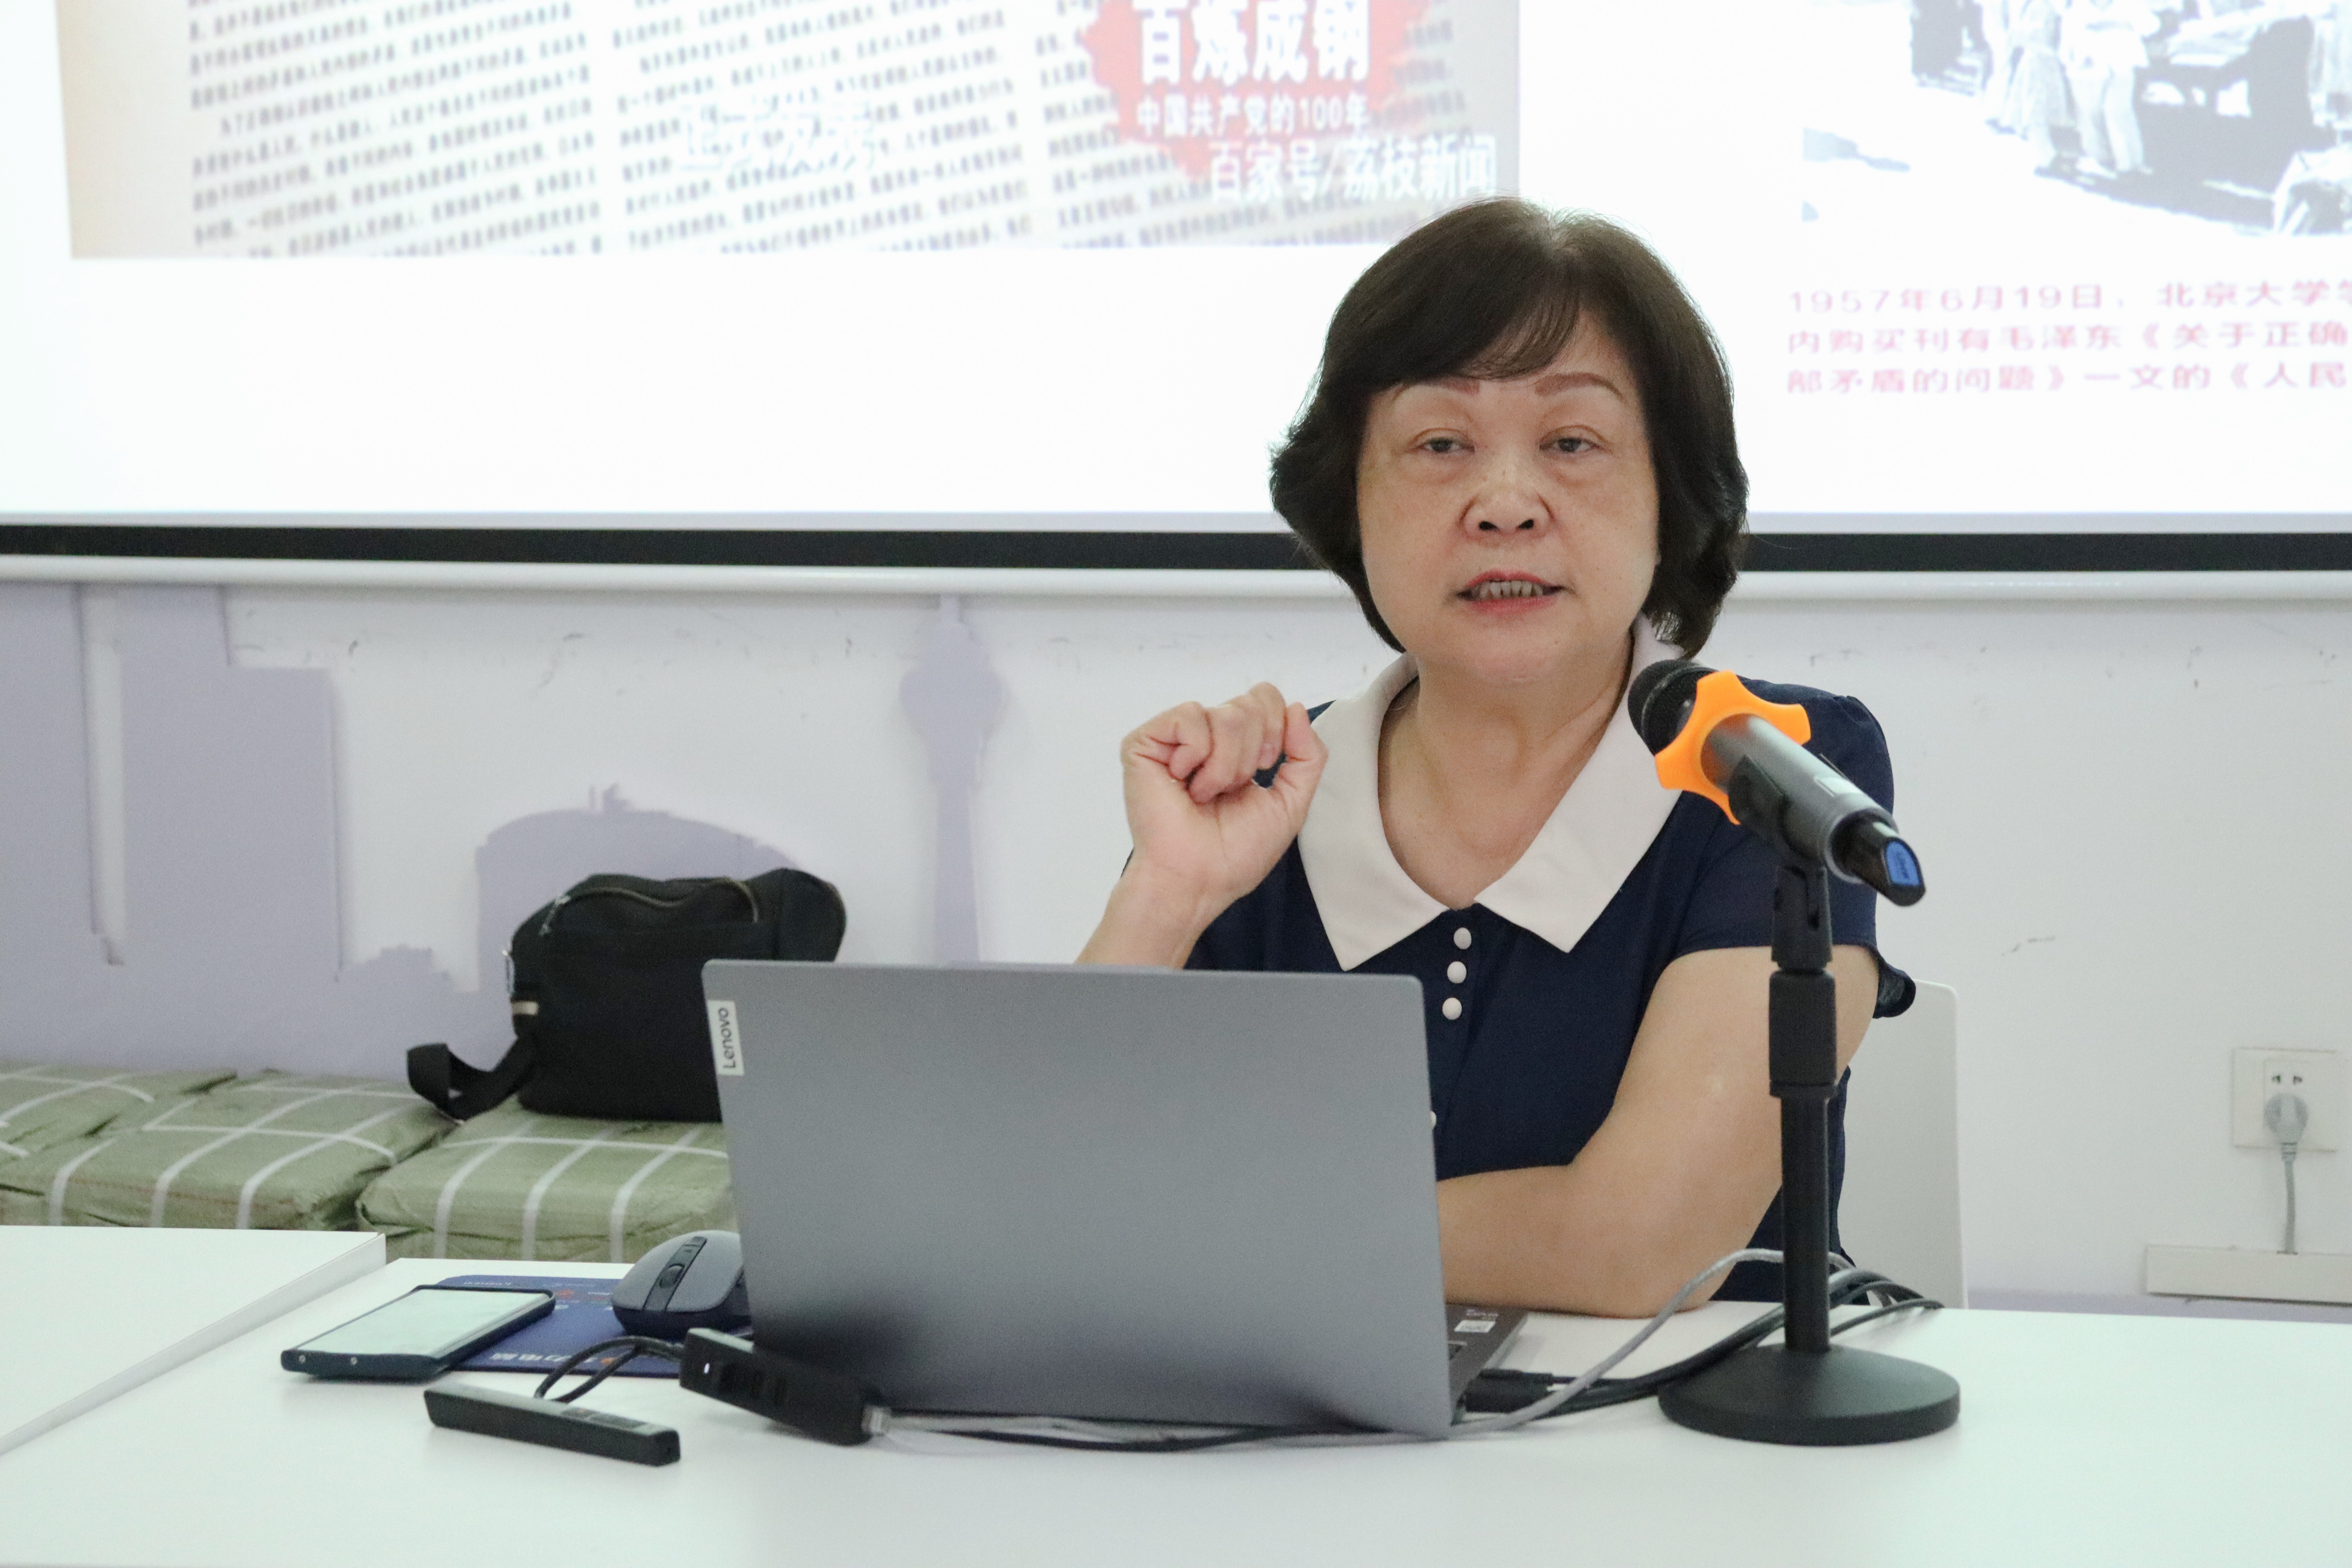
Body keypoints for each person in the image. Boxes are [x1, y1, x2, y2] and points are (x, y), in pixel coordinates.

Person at [1077, 201, 1911, 1316]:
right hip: (1288, 1420)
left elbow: (1634, 1249)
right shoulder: (1263, 791)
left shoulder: (1764, 770)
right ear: (1352, 500)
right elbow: (1048, 1197)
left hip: (1675, 1426)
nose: (1506, 505)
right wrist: (1170, 893)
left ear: (1669, 494)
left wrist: (1189, 1220)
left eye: (1572, 443)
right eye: (1440, 445)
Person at [2063, 0, 2160, 176]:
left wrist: (2121, 25)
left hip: (2121, 66)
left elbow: (2152, 25)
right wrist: (2075, 60)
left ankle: (2130, 166)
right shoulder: (2078, 8)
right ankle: (2101, 159)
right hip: (2087, 70)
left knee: (2118, 112)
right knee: (2091, 117)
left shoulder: (2127, 5)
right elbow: (2066, 42)